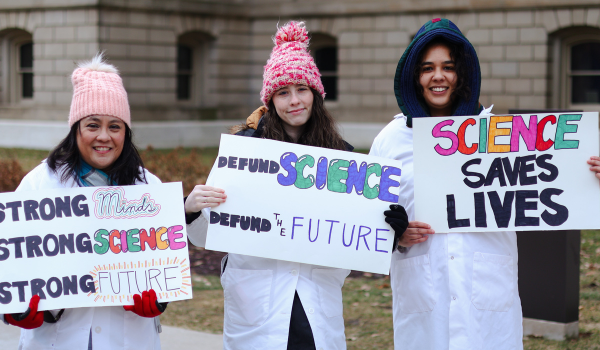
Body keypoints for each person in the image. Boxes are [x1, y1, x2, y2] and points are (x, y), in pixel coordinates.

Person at [184, 21, 361, 350]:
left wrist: (386, 224)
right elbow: (207, 235)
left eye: (302, 89)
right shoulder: (243, 154)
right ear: (271, 99)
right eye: (283, 92)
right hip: (256, 306)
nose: (294, 101)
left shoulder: (343, 160)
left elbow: (356, 240)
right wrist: (192, 211)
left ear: (316, 94)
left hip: (315, 303)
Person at [370, 18, 523, 349]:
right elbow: (366, 222)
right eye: (427, 68)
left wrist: (587, 177)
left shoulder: (500, 136)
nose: (438, 76)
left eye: (448, 67)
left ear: (462, 75)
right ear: (415, 76)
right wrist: (396, 235)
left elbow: (544, 192)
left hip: (487, 292)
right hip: (423, 292)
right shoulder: (390, 141)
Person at [1, 53, 166, 350]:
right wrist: (15, 310)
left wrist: (160, 299)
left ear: (125, 133)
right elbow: (11, 262)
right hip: (57, 337)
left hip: (128, 337)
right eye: (93, 125)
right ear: (76, 128)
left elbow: (164, 262)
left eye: (115, 126)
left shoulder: (149, 188)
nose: (104, 136)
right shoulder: (38, 184)